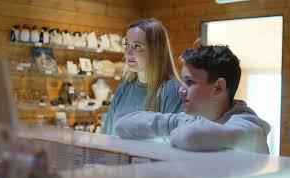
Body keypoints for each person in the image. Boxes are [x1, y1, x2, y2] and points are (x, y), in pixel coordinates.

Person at [115, 45, 271, 154]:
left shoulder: (248, 127)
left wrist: (171, 125)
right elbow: (123, 125)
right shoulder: (191, 119)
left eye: (189, 82)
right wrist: (174, 123)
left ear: (218, 87)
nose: (180, 90)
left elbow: (188, 136)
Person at [102, 18, 183, 135]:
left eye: (137, 46)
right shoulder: (123, 90)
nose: (128, 53)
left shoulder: (173, 90)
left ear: (156, 51)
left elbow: (173, 142)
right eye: (126, 44)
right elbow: (107, 135)